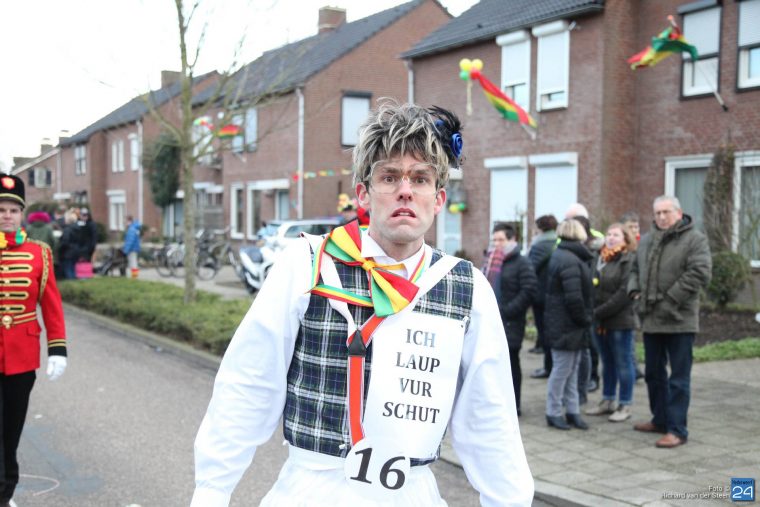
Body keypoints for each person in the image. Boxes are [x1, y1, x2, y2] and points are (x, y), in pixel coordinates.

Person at [192, 102, 533, 506]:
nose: (405, 190)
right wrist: (211, 491)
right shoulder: (308, 263)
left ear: (438, 198)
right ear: (363, 194)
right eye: (389, 177)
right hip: (311, 491)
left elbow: (489, 418)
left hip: (411, 495)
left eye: (420, 179)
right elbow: (249, 383)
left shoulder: (468, 288)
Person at [0, 174, 67, 506]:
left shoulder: (39, 253)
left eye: (13, 210)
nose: (7, 216)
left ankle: (6, 491)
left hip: (22, 355)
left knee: (11, 430)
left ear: (21, 214)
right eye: (1, 210)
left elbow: (51, 305)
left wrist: (58, 349)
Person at [628, 196, 711, 448]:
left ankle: (677, 430)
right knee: (653, 374)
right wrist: (634, 291)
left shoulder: (695, 239)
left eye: (666, 212)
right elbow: (634, 270)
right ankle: (660, 419)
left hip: (679, 319)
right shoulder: (647, 240)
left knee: (678, 379)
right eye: (657, 213)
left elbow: (699, 273)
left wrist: (669, 300)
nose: (661, 217)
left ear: (679, 213)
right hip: (651, 319)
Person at [544, 219, 593, 431]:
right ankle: (553, 412)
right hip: (567, 324)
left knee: (571, 370)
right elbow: (574, 298)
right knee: (563, 370)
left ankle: (572, 411)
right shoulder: (570, 259)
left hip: (564, 323)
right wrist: (585, 319)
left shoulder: (564, 255)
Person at [584, 223, 637, 422]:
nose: (611, 238)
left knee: (623, 363)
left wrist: (597, 312)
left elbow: (624, 293)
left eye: (616, 235)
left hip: (620, 321)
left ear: (625, 239)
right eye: (609, 234)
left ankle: (625, 404)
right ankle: (607, 400)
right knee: (607, 363)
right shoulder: (600, 258)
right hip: (600, 321)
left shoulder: (628, 260)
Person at [491, 223, 537, 417]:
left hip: (511, 322)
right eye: (494, 240)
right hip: (493, 321)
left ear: (512, 240)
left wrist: (508, 311)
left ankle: (514, 405)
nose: (497, 244)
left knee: (511, 364)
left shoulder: (522, 262)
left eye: (501, 240)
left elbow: (529, 290)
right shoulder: (491, 259)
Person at [528, 215, 558, 378]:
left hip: (540, 296)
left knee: (544, 333)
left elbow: (529, 269)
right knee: (552, 332)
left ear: (540, 228)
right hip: (554, 295)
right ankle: (552, 366)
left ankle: (549, 367)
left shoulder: (539, 245)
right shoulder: (558, 242)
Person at [59, 209, 81, 280]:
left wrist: (60, 248)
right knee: (73, 267)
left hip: (68, 251)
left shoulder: (67, 229)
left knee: (68, 268)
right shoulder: (78, 228)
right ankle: (74, 281)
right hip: (76, 250)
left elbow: (65, 241)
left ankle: (70, 281)